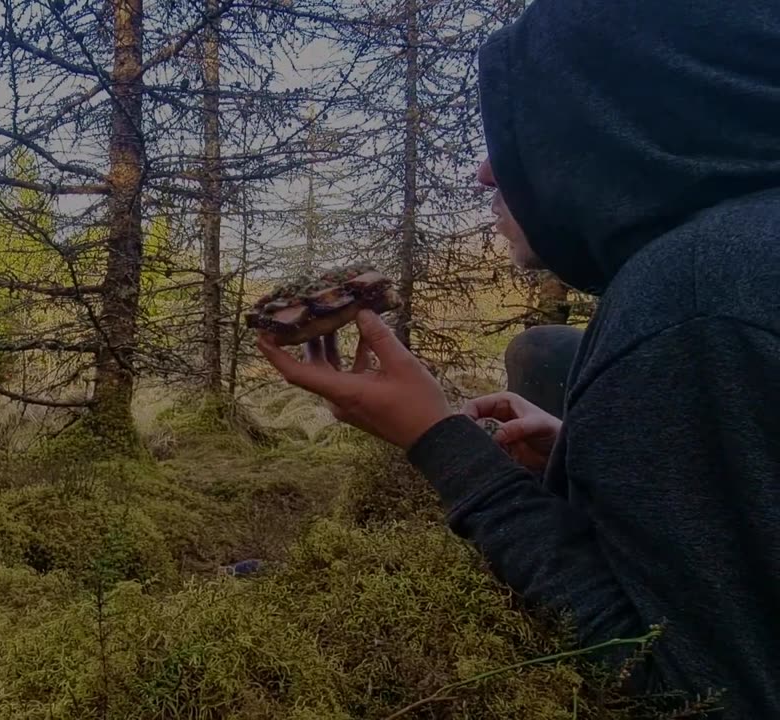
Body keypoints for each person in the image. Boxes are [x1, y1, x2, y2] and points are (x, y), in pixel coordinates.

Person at [256, 0, 780, 717]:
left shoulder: (690, 298)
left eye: (525, 130)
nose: (483, 172)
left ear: (614, 132)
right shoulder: (748, 248)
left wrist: (438, 442)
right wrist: (587, 455)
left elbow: (688, 693)